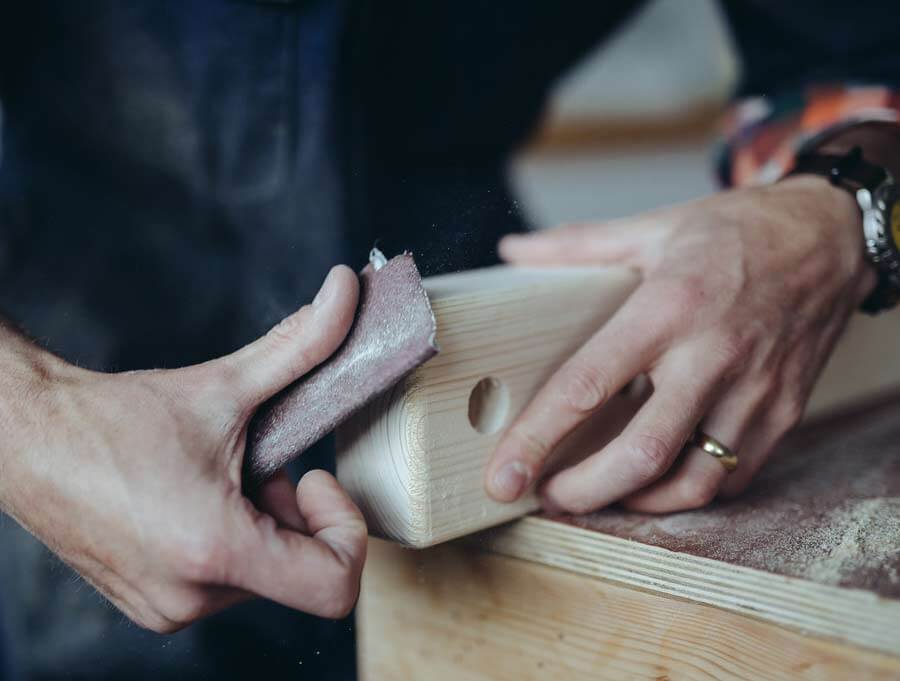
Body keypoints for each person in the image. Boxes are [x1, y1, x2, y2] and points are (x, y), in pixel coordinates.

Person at [0, 1, 898, 679]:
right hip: (74, 369)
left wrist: (842, 211)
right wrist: (33, 419)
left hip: (461, 361)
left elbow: (854, 55)